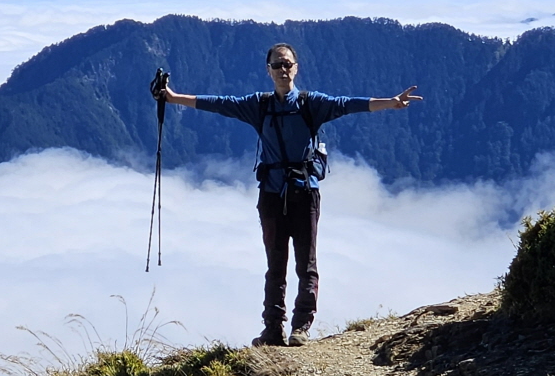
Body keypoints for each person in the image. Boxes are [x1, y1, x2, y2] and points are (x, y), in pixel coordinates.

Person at [155, 42, 421, 346]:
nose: (283, 70)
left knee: (305, 264)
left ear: (296, 68)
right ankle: (274, 328)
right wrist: (174, 99)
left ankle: (300, 328)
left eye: (287, 64)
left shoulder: (312, 104)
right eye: (277, 65)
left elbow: (348, 104)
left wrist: (391, 102)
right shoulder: (259, 104)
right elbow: (219, 103)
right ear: (268, 71)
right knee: (276, 265)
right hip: (274, 195)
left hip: (303, 193)